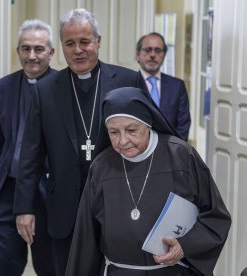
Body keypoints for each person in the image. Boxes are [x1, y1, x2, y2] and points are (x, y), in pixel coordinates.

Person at [14, 8, 144, 275]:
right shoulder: (45, 90)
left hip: (117, 202)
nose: (78, 50)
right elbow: (31, 154)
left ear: (98, 41)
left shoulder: (128, 82)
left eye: (84, 42)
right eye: (69, 43)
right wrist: (24, 208)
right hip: (64, 208)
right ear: (61, 47)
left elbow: (148, 140)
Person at [66, 87, 231, 275]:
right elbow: (86, 238)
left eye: (131, 130)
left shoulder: (181, 157)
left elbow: (216, 217)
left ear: (148, 123)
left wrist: (185, 246)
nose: (123, 141)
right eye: (114, 132)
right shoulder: (101, 168)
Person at [0, 19, 56, 276]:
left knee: (49, 265)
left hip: (47, 191)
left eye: (39, 49)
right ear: (18, 51)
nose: (32, 56)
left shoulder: (63, 87)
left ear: (51, 52)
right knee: (5, 261)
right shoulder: (3, 87)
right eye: (25, 48)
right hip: (9, 189)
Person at [136, 32, 191, 141]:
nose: (152, 54)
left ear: (164, 55)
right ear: (138, 54)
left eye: (158, 50)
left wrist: (174, 151)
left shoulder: (177, 86)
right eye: (147, 50)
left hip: (171, 151)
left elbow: (183, 126)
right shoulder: (129, 84)